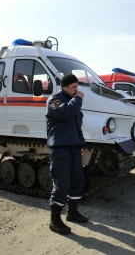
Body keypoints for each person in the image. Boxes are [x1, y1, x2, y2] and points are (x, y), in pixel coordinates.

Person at [45, 74, 88, 235]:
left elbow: (77, 127)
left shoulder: (73, 103)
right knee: (61, 184)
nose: (77, 90)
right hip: (60, 150)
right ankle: (54, 220)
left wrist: (81, 145)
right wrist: (78, 98)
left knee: (78, 181)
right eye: (74, 88)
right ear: (64, 88)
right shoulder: (55, 101)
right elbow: (66, 113)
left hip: (74, 149)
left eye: (77, 87)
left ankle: (72, 212)